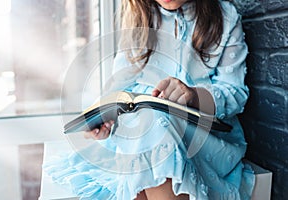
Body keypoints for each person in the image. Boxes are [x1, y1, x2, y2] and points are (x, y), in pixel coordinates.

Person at [44, 0, 255, 199]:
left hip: (201, 135)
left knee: (153, 130)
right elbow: (120, 86)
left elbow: (235, 92)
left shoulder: (225, 18)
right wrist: (103, 116)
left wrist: (193, 95)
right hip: (140, 129)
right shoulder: (140, 19)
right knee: (147, 126)